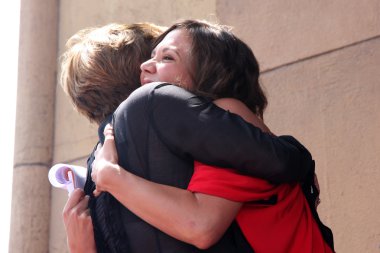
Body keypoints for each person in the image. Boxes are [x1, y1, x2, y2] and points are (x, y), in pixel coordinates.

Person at [60, 21, 317, 253]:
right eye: (152, 55)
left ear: (208, 72)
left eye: (167, 57)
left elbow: (201, 226)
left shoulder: (227, 114)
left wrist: (111, 176)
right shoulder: (143, 143)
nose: (146, 67)